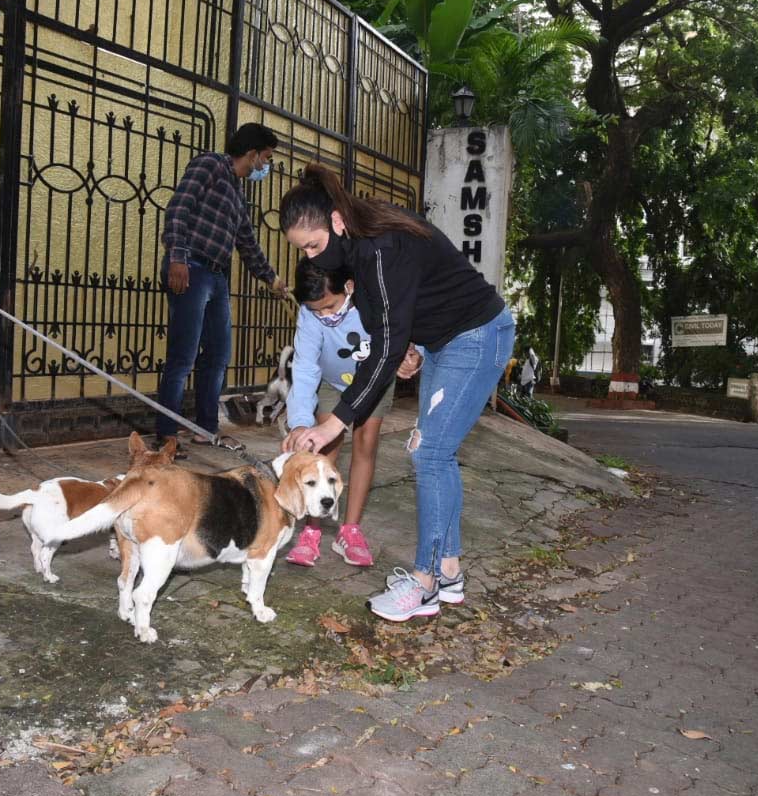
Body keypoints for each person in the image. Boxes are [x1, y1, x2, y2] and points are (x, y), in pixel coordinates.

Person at [279, 164, 514, 623]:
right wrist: (413, 347)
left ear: (336, 222)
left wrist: (335, 419)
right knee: (435, 455)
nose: (310, 258)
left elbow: (384, 341)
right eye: (302, 249)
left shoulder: (380, 247)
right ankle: (448, 572)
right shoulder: (357, 249)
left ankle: (425, 584)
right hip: (445, 342)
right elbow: (393, 320)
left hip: (478, 336)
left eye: (313, 245)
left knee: (430, 456)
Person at [156, 123, 289, 452]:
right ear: (252, 153)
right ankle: (167, 435)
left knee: (217, 355)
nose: (266, 166)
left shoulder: (237, 194)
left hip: (215, 275)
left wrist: (271, 279)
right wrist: (177, 257)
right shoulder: (210, 165)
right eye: (266, 158)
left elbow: (247, 243)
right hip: (191, 268)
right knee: (183, 357)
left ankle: (205, 428)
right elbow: (179, 208)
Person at [282, 259, 394, 569]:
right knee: (323, 449)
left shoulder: (373, 300)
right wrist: (300, 424)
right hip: (333, 383)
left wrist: (415, 355)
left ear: (349, 287)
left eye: (330, 307)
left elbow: (404, 329)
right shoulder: (310, 313)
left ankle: (350, 530)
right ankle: (312, 530)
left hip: (375, 382)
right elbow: (304, 366)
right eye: (317, 310)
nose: (325, 316)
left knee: (366, 443)